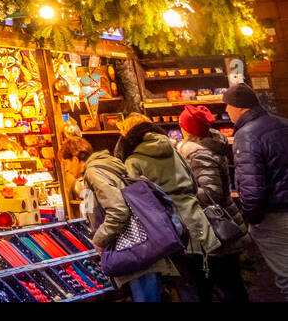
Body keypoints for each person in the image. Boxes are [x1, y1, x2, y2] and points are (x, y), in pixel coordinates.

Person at [116, 112, 220, 301]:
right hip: (196, 220)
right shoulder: (175, 151)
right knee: (203, 284)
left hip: (169, 227)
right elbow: (194, 184)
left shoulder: (133, 161)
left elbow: (137, 202)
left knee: (186, 287)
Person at [81, 144, 177, 301]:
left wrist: (100, 239)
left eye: (65, 163)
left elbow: (118, 210)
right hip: (141, 245)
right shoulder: (109, 166)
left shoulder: (93, 172)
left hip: (133, 247)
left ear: (75, 157)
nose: (65, 170)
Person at [175, 103, 249, 301]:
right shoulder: (208, 148)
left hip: (215, 231)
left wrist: (180, 194)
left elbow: (210, 193)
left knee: (227, 284)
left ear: (187, 129)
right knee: (228, 283)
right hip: (217, 228)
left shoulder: (199, 155)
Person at [225, 82, 288, 299]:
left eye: (228, 106)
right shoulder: (282, 123)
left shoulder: (246, 135)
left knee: (285, 273)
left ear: (239, 107)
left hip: (274, 213)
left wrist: (253, 218)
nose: (226, 111)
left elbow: (252, 185)